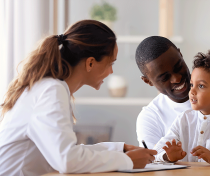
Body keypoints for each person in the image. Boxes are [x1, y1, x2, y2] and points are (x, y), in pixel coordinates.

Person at [0, 20, 157, 176]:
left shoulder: (49, 87)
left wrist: (119, 149)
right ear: (90, 63)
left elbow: (67, 151)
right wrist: (126, 161)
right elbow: (67, 160)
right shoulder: (51, 90)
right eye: (111, 63)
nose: (111, 72)